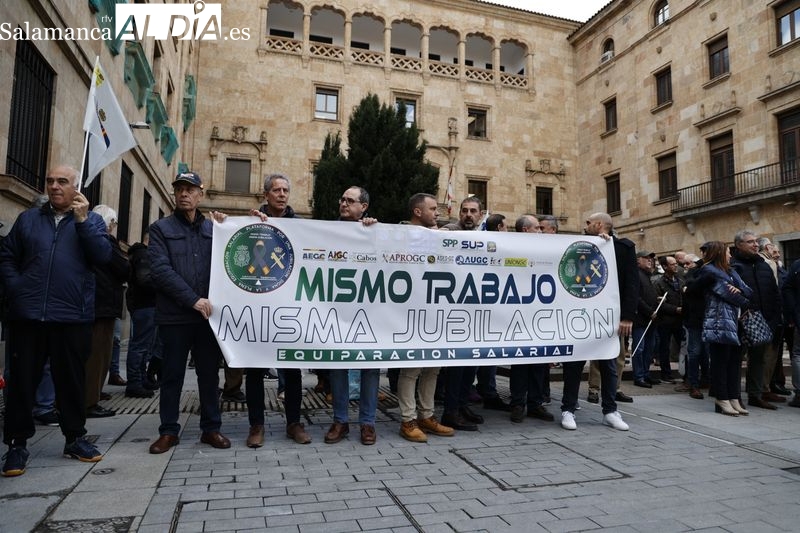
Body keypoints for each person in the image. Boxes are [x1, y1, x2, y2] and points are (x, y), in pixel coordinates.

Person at [1, 164, 111, 476]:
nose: (54, 186)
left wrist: (83, 222)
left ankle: (75, 438)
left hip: (71, 317)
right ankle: (17, 444)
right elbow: (7, 256)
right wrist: (17, 289)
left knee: (71, 381)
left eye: (62, 181)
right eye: (50, 180)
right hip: (29, 316)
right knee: (22, 382)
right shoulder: (28, 219)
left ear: (77, 187)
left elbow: (102, 256)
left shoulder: (92, 221)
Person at [148, 171, 231, 454]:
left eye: (190, 189)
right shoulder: (160, 229)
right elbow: (160, 271)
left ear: (200, 195)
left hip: (208, 319)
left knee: (209, 375)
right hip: (175, 317)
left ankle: (211, 429)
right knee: (171, 376)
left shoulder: (214, 229)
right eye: (179, 189)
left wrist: (224, 228)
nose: (184, 194)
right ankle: (168, 431)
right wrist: (193, 299)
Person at [245, 173, 310, 448]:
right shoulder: (249, 223)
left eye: (285, 190)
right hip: (258, 308)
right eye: (276, 190)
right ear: (266, 195)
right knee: (255, 370)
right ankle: (256, 425)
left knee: (292, 369)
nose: (282, 194)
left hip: (289, 310)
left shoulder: (301, 226)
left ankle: (293, 422)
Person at [564, 212, 635, 431]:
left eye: (588, 223)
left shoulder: (623, 248)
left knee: (609, 364)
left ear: (600, 225)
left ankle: (610, 411)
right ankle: (568, 409)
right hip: (579, 315)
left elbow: (632, 284)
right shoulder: (579, 244)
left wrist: (627, 317)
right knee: (574, 363)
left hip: (609, 318)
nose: (585, 226)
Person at [395, 194, 455, 443]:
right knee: (411, 369)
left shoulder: (438, 236)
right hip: (411, 312)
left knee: (433, 367)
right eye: (432, 209)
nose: (437, 212)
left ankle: (426, 416)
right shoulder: (399, 234)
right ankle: (407, 420)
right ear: (418, 212)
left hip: (435, 311)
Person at [324, 186, 381, 446]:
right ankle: (340, 421)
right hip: (337, 310)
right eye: (342, 199)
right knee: (338, 367)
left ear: (364, 207)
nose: (344, 203)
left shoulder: (374, 232)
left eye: (351, 200)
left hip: (368, 311)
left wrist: (375, 230)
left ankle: (367, 423)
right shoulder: (325, 231)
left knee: (370, 366)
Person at [697, 241, 752, 416]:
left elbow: (747, 290)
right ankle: (722, 398)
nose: (730, 255)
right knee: (721, 362)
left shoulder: (730, 270)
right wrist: (743, 298)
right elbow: (727, 293)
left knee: (734, 362)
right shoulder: (709, 271)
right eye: (728, 252)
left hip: (734, 322)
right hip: (719, 322)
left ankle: (733, 397)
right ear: (720, 253)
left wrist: (741, 293)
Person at [730, 230, 783, 409]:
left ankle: (756, 395)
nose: (755, 245)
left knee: (758, 359)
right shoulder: (733, 266)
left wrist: (773, 317)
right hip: (741, 320)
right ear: (739, 245)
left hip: (765, 320)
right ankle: (734, 396)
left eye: (755, 242)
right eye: (750, 242)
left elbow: (774, 292)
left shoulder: (764, 265)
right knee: (736, 359)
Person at [85, 205, 129, 419]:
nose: (114, 227)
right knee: (98, 355)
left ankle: (92, 395)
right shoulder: (106, 241)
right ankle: (89, 401)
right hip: (102, 306)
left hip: (93, 304)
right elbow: (123, 268)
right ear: (109, 224)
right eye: (114, 223)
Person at [508, 215, 553, 424]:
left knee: (538, 363)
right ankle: (518, 403)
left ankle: (535, 403)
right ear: (526, 230)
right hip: (519, 316)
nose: (541, 231)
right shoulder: (509, 248)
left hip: (540, 316)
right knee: (520, 363)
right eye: (537, 228)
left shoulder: (546, 248)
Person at [125, 228, 159, 397]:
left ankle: (140, 378)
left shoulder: (141, 254)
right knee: (139, 345)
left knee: (145, 346)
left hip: (145, 305)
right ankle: (134, 382)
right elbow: (145, 279)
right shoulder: (143, 255)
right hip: (144, 305)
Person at [631, 251, 661, 389]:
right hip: (641, 318)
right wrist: (649, 312)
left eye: (651, 259)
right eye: (646, 258)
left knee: (649, 348)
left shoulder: (648, 276)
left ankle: (645, 373)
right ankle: (639, 376)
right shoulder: (636, 274)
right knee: (640, 348)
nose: (650, 260)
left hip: (650, 319)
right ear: (638, 260)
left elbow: (648, 295)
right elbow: (636, 298)